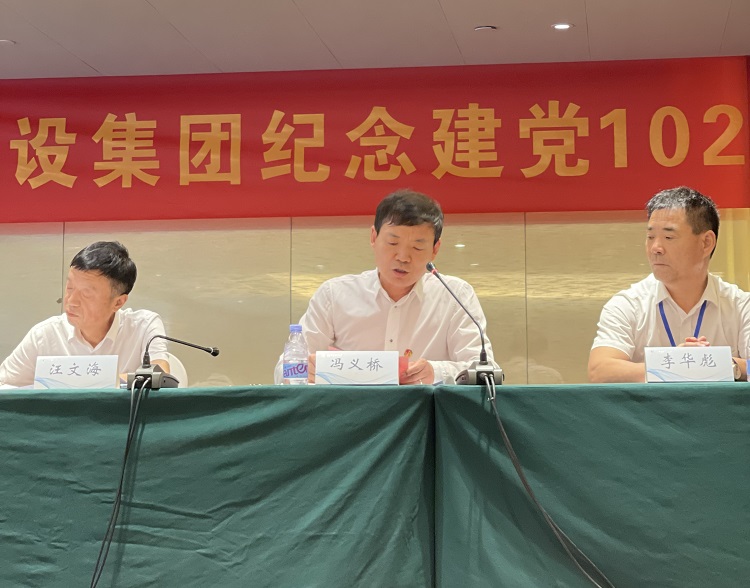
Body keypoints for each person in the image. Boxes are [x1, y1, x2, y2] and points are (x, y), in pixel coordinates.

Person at [277, 188, 497, 385]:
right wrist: (305, 371)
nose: (403, 257)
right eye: (392, 243)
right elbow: (282, 372)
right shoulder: (334, 296)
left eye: (417, 247)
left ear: (435, 249)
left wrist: (436, 372)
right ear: (374, 237)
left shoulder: (455, 296)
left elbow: (486, 372)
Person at [588, 186, 750, 383]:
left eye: (668, 237)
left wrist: (724, 365)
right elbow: (600, 371)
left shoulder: (741, 306)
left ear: (706, 243)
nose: (655, 248)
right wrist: (674, 364)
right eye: (650, 237)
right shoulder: (627, 305)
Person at [0, 241, 169, 387]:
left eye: (87, 293)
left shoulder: (143, 326)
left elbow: (160, 377)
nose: (71, 301)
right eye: (70, 288)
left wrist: (79, 383)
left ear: (118, 302)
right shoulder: (45, 335)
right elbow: (4, 384)